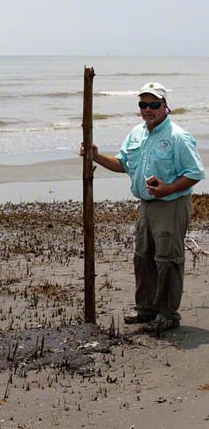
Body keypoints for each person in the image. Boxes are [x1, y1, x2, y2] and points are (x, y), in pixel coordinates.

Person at [80, 82, 205, 333]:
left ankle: (168, 314)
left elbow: (195, 173)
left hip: (171, 205)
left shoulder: (178, 137)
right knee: (143, 256)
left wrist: (168, 189)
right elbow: (122, 164)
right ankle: (146, 309)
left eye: (154, 104)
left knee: (168, 259)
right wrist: (95, 156)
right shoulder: (137, 133)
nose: (148, 109)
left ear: (165, 107)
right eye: (143, 104)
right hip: (146, 206)